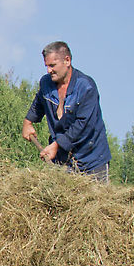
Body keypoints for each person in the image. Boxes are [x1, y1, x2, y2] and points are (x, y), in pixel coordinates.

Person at [22, 41, 111, 182]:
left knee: (96, 203)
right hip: (64, 161)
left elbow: (83, 125)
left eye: (52, 65)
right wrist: (28, 122)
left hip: (91, 160)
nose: (48, 71)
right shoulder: (46, 83)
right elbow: (39, 102)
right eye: (46, 66)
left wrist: (57, 145)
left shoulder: (86, 88)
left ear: (67, 61)